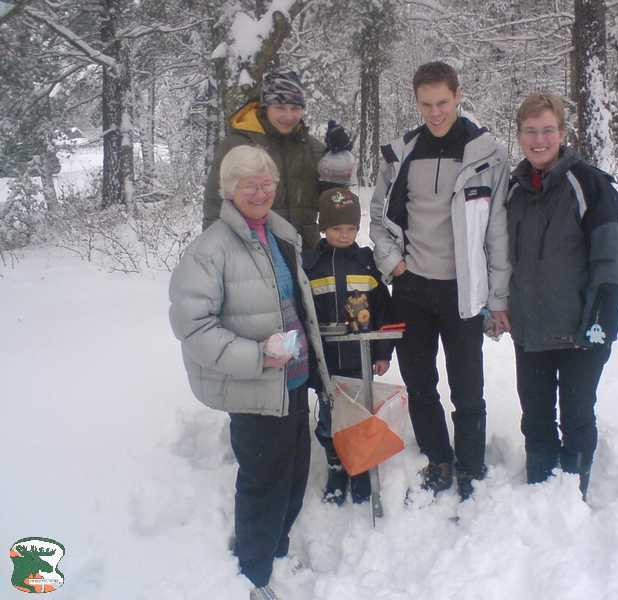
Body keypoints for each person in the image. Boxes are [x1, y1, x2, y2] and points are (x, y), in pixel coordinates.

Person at [169, 145, 333, 600]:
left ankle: (274, 550)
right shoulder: (209, 251)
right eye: (249, 185)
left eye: (266, 184)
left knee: (294, 475)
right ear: (229, 190)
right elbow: (193, 328)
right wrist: (257, 355)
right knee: (264, 484)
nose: (260, 193)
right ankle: (253, 575)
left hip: (293, 381)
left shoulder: (281, 234)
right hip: (254, 388)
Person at [369, 61, 511, 501]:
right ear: (416, 101)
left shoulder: (486, 154)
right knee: (420, 383)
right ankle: (438, 457)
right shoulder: (400, 155)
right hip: (411, 287)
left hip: (462, 291)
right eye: (426, 104)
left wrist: (498, 297)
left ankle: (469, 465)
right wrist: (394, 264)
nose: (435, 112)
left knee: (468, 388)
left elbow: (498, 231)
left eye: (443, 102)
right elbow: (378, 218)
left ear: (458, 96)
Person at [506, 92, 618, 501]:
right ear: (519, 135)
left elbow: (610, 259)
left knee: (576, 415)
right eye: (530, 131)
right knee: (535, 417)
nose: (539, 140)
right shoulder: (514, 190)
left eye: (547, 130)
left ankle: (574, 495)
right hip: (531, 329)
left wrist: (602, 320)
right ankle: (541, 491)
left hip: (581, 329)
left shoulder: (590, 184)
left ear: (562, 132)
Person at [302, 187, 394, 505]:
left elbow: (383, 311)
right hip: (326, 362)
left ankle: (360, 467)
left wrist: (383, 352)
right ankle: (336, 466)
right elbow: (303, 316)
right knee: (330, 418)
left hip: (360, 360)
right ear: (323, 228)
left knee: (359, 416)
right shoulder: (311, 266)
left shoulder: (366, 264)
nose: (344, 235)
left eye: (351, 228)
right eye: (336, 228)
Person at [203, 67, 354, 251]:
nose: (288, 116)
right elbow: (215, 205)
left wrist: (337, 163)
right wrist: (214, 252)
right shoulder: (237, 145)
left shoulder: (312, 149)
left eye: (295, 108)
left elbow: (335, 206)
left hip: (305, 253)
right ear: (265, 106)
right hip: (253, 251)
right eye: (280, 108)